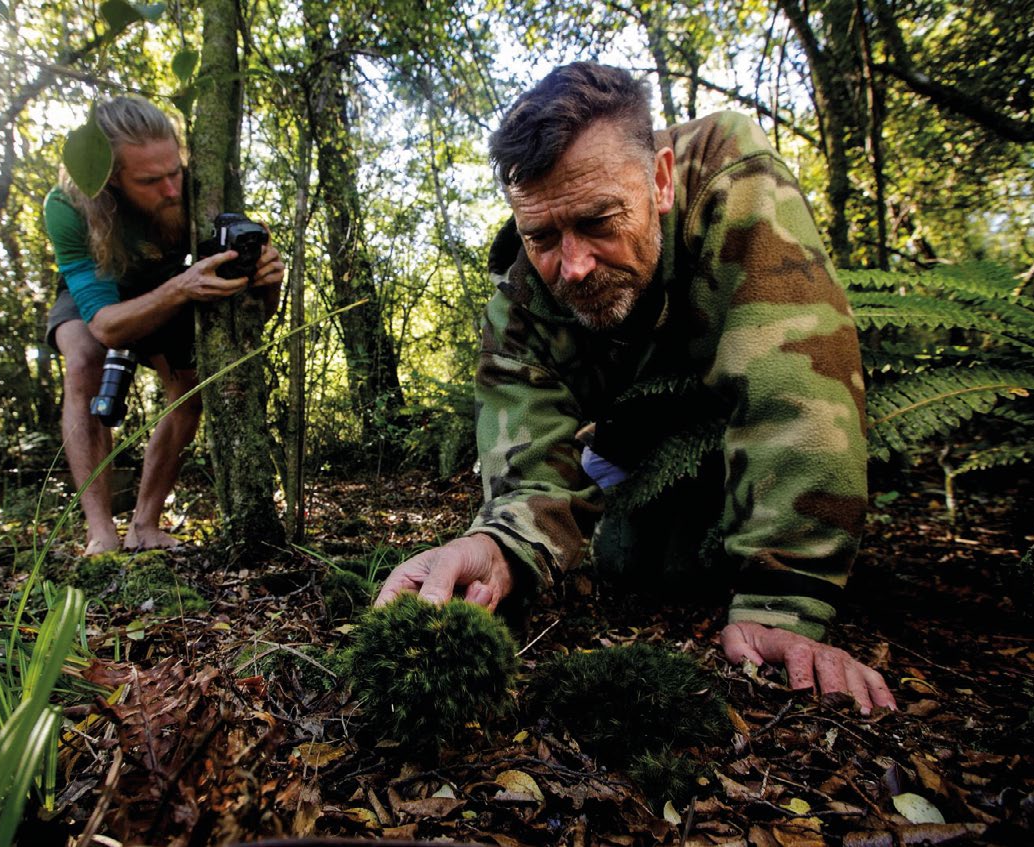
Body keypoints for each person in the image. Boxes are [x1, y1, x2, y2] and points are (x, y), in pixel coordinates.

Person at [375, 63, 896, 714]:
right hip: (625, 436)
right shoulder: (520, 299)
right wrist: (494, 546)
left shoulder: (729, 177)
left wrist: (784, 602)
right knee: (633, 558)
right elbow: (530, 469)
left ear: (660, 179)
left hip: (725, 416)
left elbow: (795, 383)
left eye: (597, 221)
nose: (573, 266)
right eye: (542, 236)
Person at [45, 95, 284, 555]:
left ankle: (144, 525)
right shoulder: (68, 205)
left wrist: (267, 280)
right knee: (83, 360)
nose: (172, 190)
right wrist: (180, 290)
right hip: (96, 289)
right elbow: (107, 327)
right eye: (151, 181)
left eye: (174, 171)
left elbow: (254, 317)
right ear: (110, 179)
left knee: (191, 382)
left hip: (168, 281)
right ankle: (101, 533)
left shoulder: (197, 186)